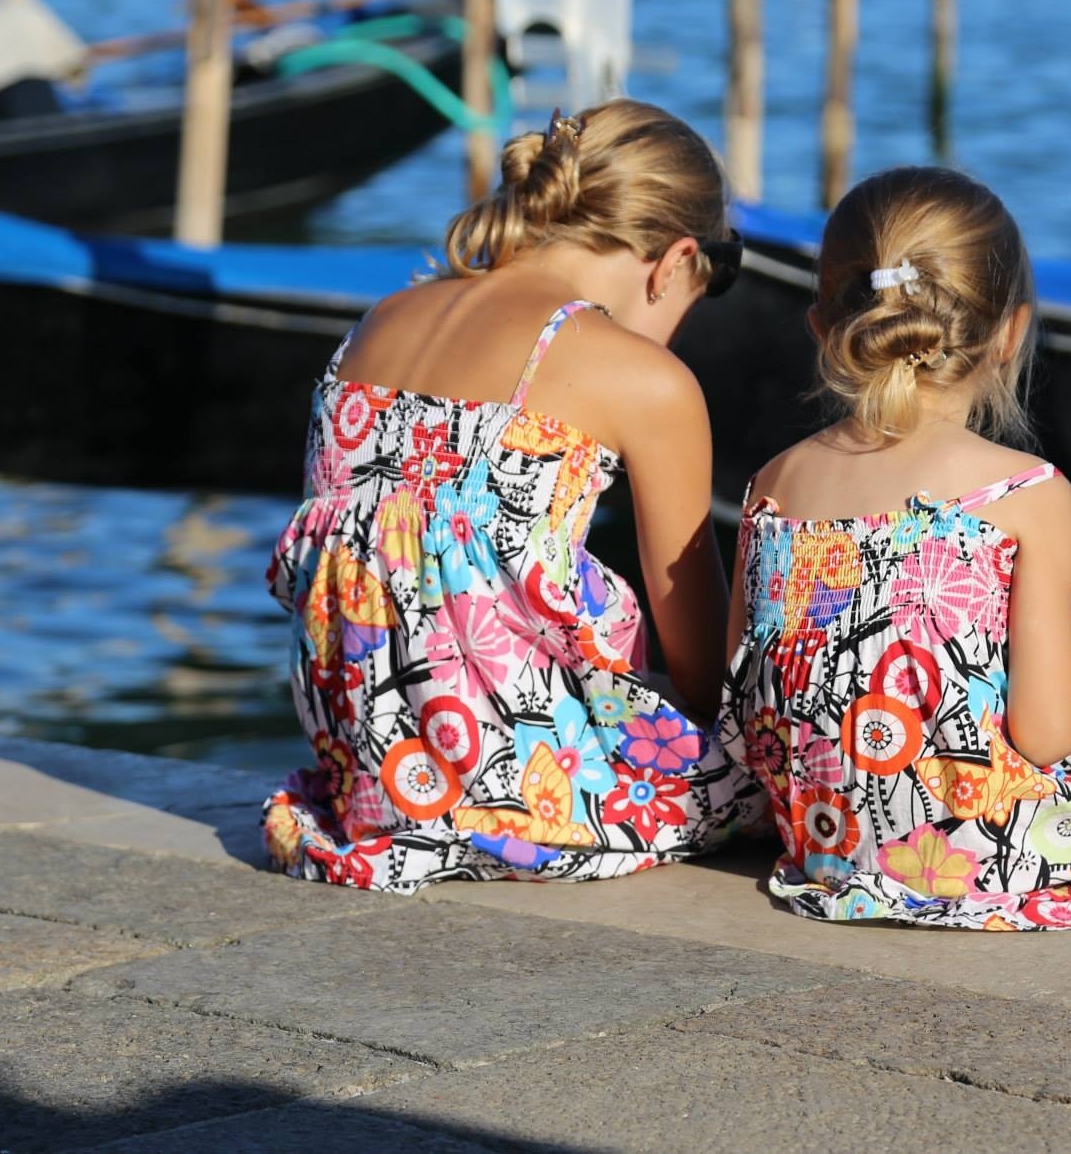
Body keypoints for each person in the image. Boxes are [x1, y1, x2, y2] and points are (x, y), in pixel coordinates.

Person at [720, 166, 1071, 931]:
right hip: (973, 857)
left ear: (823, 327)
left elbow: (745, 701)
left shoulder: (772, 485)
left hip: (824, 844)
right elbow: (1048, 733)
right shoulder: (1026, 491)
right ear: (1011, 332)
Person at [263, 100, 762, 891]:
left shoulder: (377, 322)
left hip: (369, 776)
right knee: (783, 774)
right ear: (675, 260)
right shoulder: (643, 377)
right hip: (518, 792)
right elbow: (704, 676)